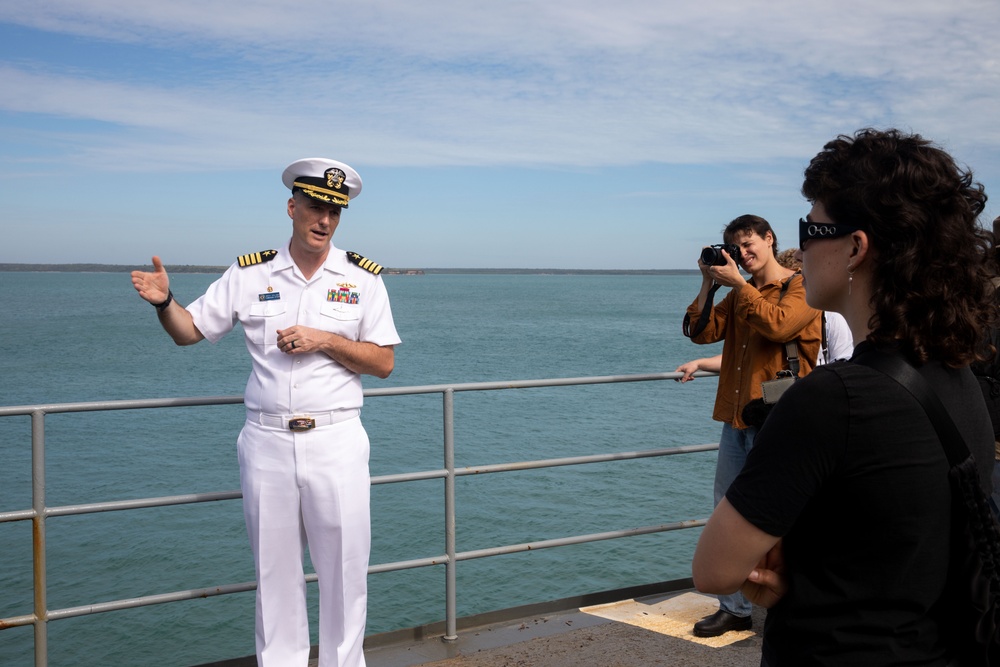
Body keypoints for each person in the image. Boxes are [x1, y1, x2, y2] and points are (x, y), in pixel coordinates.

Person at [692, 128, 996, 665]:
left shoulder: (831, 400)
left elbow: (715, 570)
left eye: (810, 228)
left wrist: (783, 557)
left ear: (856, 248)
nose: (803, 246)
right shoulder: (957, 377)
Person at [131, 158, 401, 667]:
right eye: (316, 208)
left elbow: (384, 362)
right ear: (292, 207)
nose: (324, 220)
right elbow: (189, 332)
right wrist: (165, 302)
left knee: (345, 575)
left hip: (337, 441)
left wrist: (324, 340)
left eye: (335, 212)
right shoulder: (249, 273)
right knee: (274, 577)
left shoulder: (362, 278)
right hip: (266, 442)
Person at [681, 214, 822, 637]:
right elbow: (700, 332)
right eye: (735, 248)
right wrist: (708, 283)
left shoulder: (802, 285)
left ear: (769, 238)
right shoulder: (738, 294)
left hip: (783, 420)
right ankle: (736, 608)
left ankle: (801, 601)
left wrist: (739, 286)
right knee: (730, 512)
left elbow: (781, 325)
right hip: (738, 419)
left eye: (749, 244)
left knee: (789, 515)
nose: (743, 254)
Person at [676, 250, 850, 382]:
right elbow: (707, 336)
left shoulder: (830, 314)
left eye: (792, 276)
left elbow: (844, 360)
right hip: (757, 401)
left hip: (806, 390)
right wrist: (708, 279)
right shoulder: (746, 298)